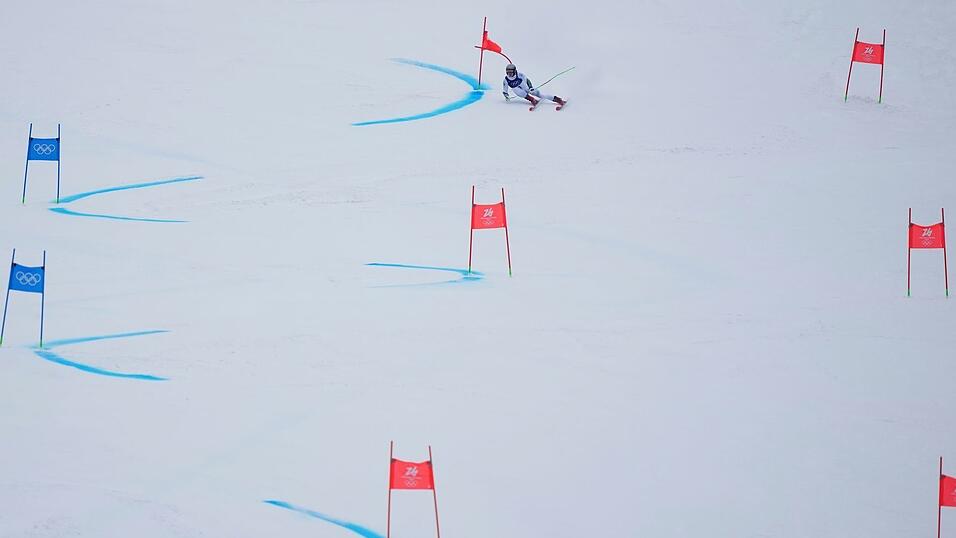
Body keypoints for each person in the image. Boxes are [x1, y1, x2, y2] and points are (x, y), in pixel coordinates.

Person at [502, 64, 566, 108]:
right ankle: (532, 100)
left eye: (511, 72)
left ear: (515, 71)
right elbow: (505, 90)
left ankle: (557, 99)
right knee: (518, 91)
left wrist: (530, 87)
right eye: (508, 72)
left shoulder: (520, 75)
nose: (509, 74)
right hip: (517, 89)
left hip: (525, 86)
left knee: (538, 94)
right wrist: (506, 95)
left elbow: (527, 80)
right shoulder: (506, 80)